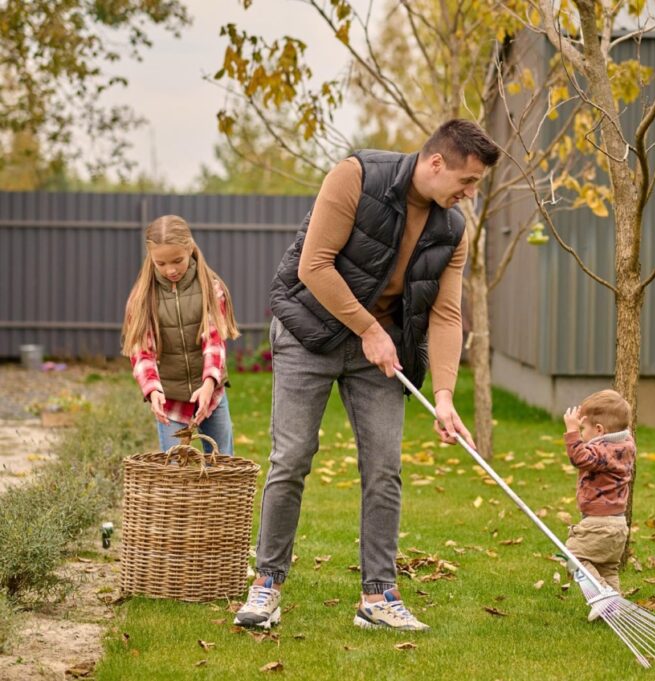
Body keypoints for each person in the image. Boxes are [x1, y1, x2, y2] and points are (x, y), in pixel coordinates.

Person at [234, 119, 501, 632]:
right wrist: (366, 328)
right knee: (291, 457)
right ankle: (267, 584)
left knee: (384, 467)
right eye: (466, 182)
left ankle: (378, 596)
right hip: (309, 332)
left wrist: (444, 395)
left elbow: (446, 315)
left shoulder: (452, 229)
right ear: (436, 163)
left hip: (379, 352)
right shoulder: (356, 175)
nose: (470, 195)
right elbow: (314, 265)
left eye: (476, 187)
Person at [121, 215, 240, 455]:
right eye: (161, 264)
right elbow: (141, 351)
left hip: (211, 393)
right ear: (150, 258)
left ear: (190, 248)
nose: (171, 269)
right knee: (174, 470)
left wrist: (208, 385)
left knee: (221, 464)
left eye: (177, 260)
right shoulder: (142, 298)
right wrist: (152, 390)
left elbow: (214, 342)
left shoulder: (211, 287)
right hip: (170, 400)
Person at [562, 389, 636, 621]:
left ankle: (604, 597)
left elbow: (579, 458)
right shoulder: (626, 444)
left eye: (585, 429)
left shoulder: (602, 451)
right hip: (617, 525)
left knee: (574, 555)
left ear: (600, 431)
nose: (582, 434)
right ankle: (615, 609)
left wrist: (572, 431)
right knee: (606, 568)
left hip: (599, 524)